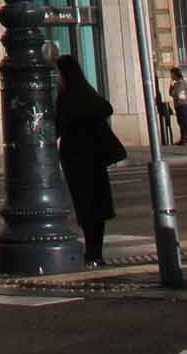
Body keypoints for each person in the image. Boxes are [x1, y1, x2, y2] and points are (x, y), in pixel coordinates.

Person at [54, 53, 125, 266]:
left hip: (77, 158)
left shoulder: (67, 97)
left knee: (85, 205)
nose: (56, 78)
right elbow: (106, 108)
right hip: (94, 156)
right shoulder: (85, 90)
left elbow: (57, 126)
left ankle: (93, 252)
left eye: (58, 74)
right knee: (97, 205)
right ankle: (96, 252)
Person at [169, 65, 187, 146]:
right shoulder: (176, 83)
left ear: (175, 74)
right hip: (178, 105)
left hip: (183, 104)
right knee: (180, 122)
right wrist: (171, 86)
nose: (171, 76)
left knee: (184, 121)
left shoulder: (182, 82)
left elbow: (177, 93)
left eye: (172, 74)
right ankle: (183, 138)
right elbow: (171, 94)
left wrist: (173, 91)